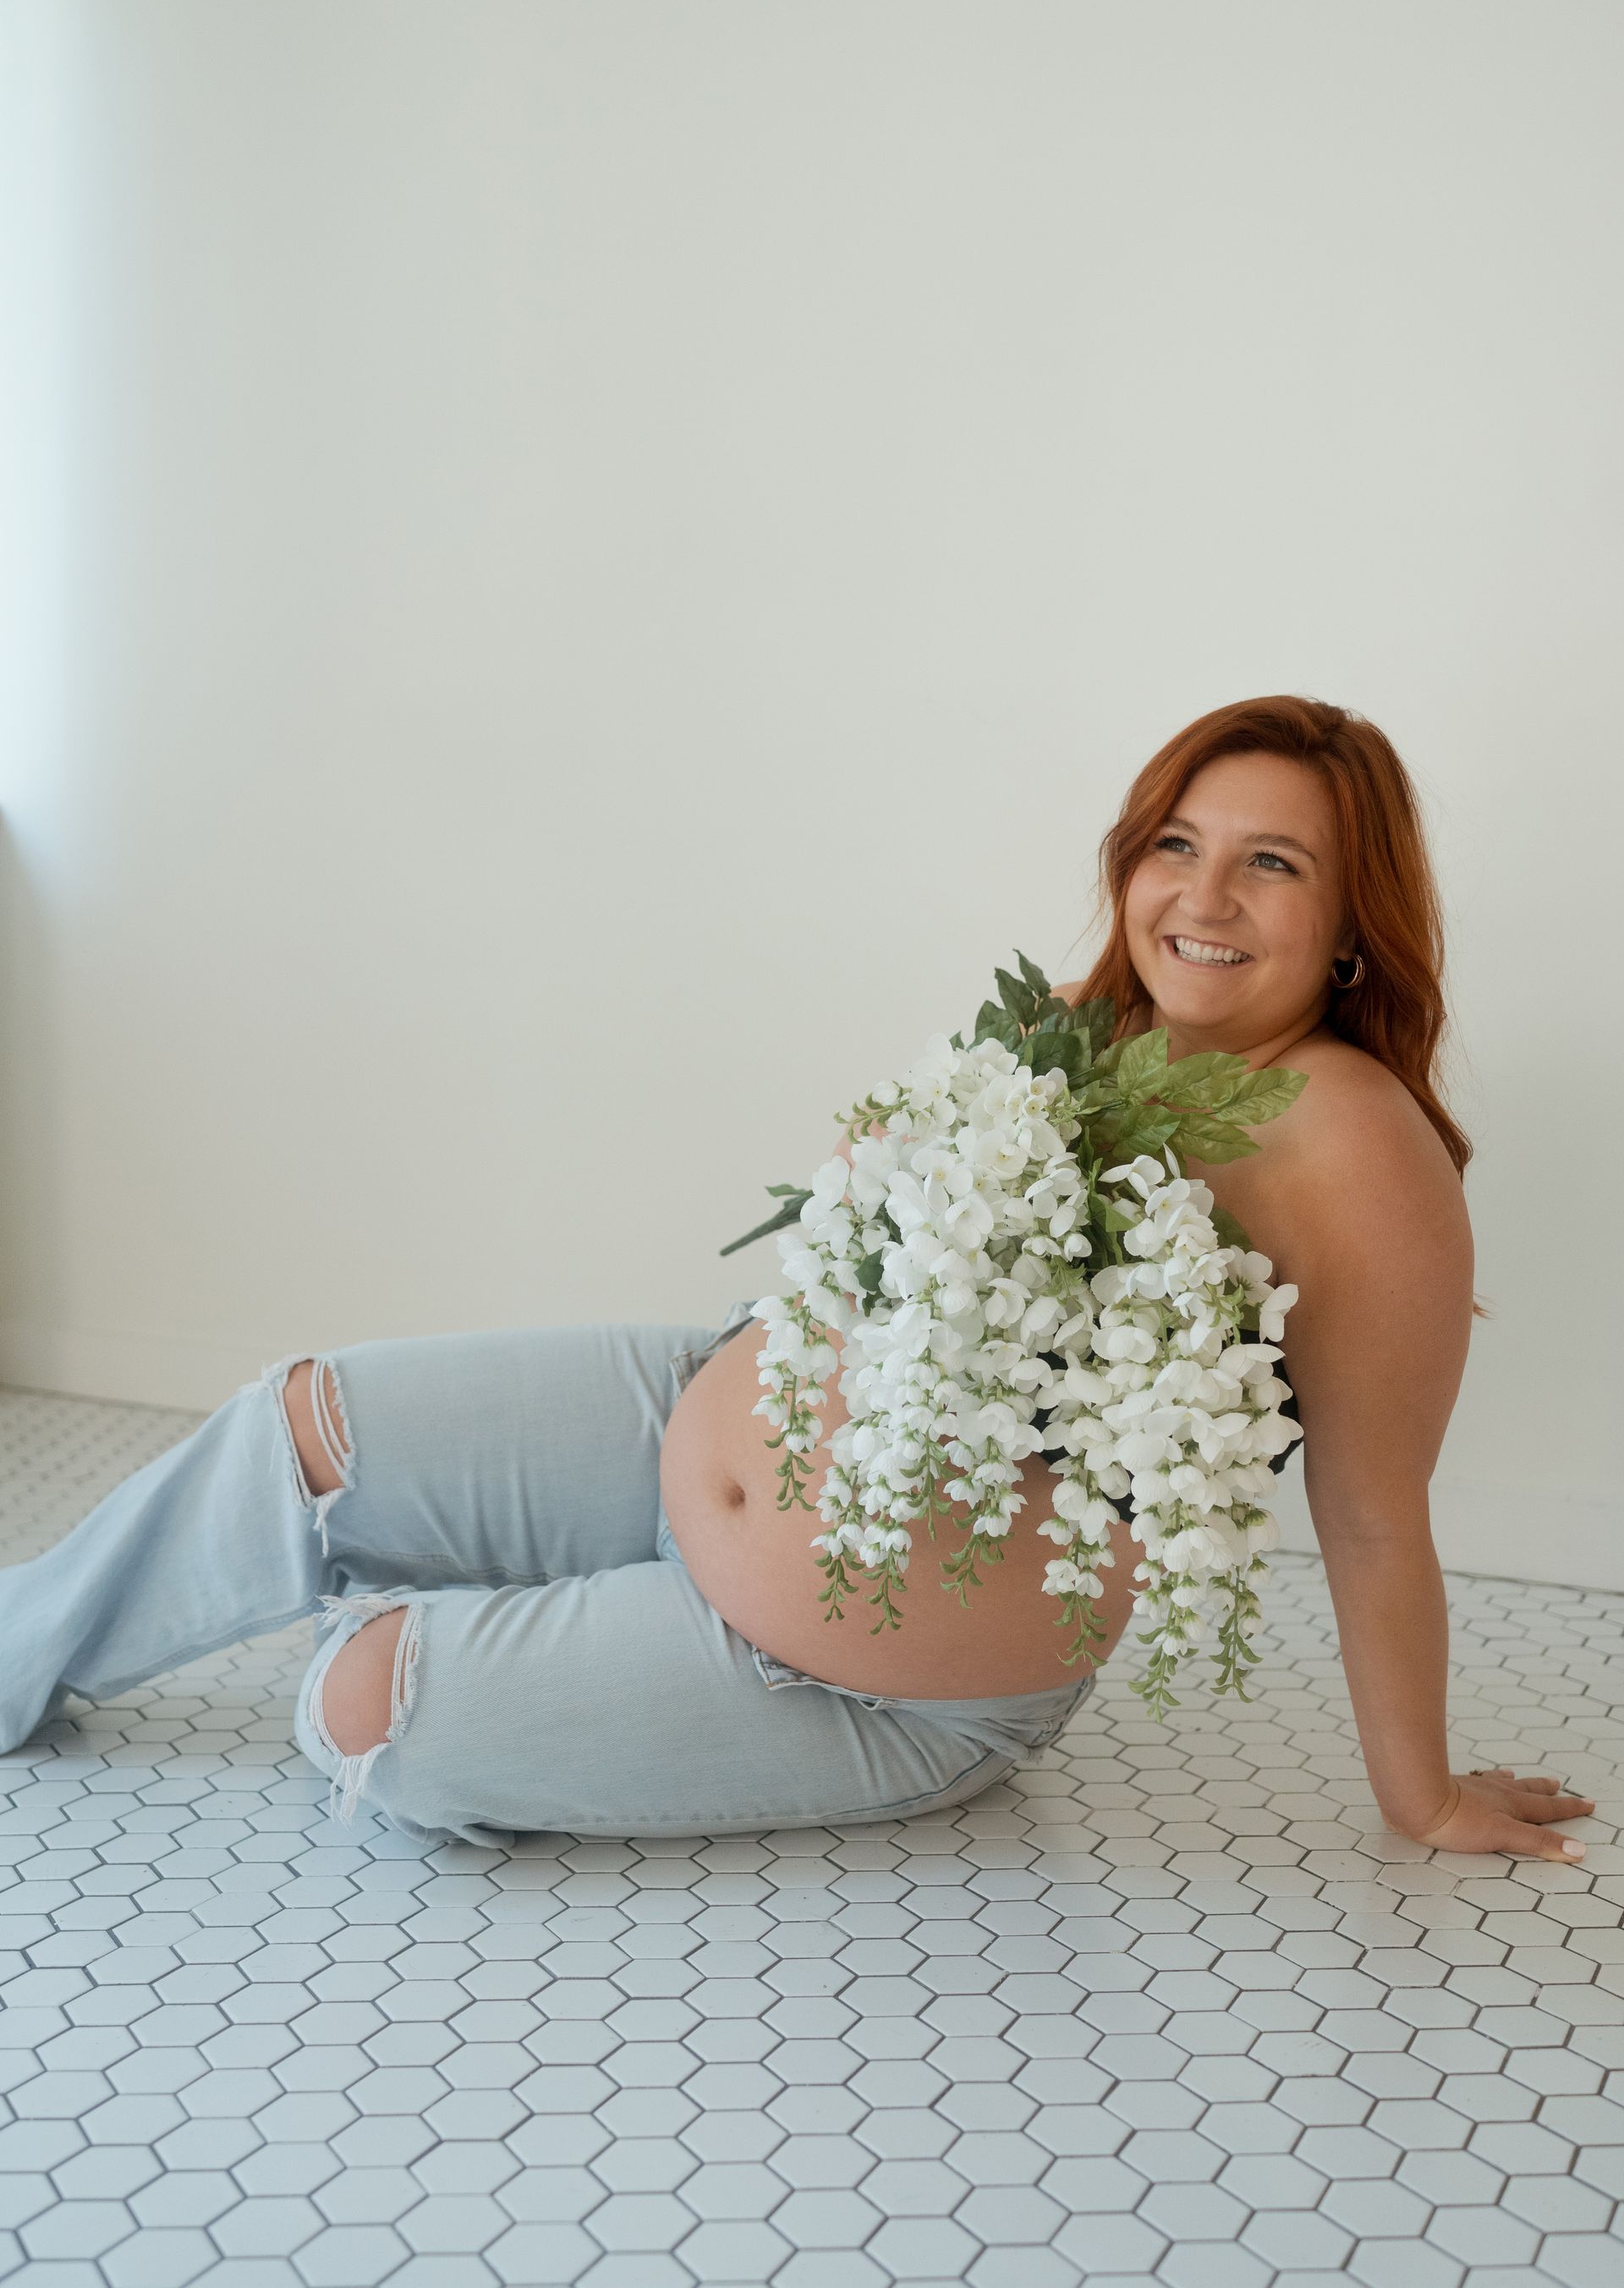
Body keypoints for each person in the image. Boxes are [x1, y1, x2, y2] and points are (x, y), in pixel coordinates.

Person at [0, 695, 1594, 1860]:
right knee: (313, 1421)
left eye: (1273, 865)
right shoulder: (1075, 1021)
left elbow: (1376, 1510)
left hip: (890, 1670)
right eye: (1177, 842)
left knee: (366, 1712)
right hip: (698, 1415)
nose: (1205, 895)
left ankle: (556, 1632)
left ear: (1352, 925)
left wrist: (1427, 1793)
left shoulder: (1358, 1150)